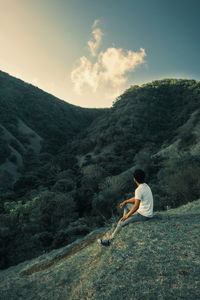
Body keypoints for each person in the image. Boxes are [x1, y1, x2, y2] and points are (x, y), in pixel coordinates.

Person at [98, 169, 153, 246]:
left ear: (134, 179)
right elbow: (136, 198)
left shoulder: (139, 189)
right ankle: (125, 219)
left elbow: (136, 206)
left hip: (143, 215)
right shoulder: (145, 186)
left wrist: (127, 216)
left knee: (120, 223)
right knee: (126, 205)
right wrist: (126, 201)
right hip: (147, 212)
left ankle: (109, 241)